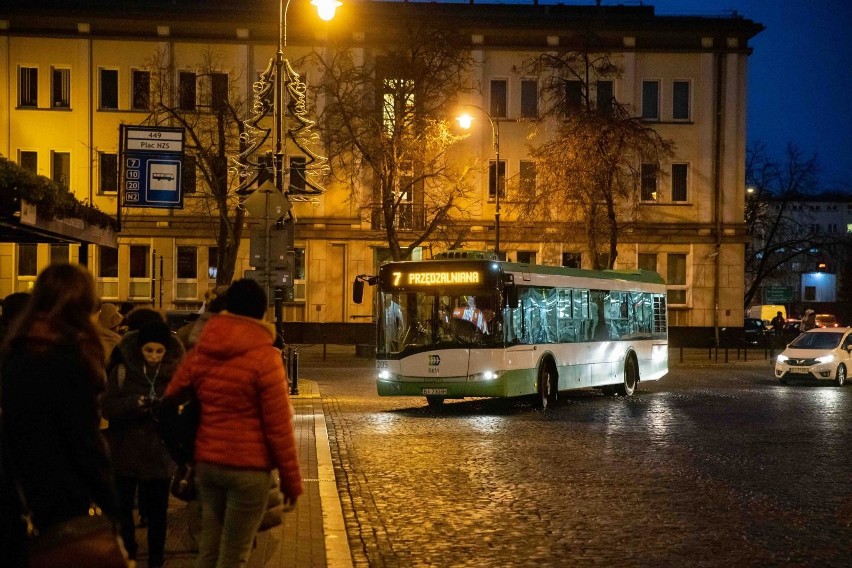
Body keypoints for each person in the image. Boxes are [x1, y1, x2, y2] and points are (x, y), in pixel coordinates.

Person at [165, 278, 302, 568]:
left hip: (208, 466)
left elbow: (169, 399)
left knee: (209, 551)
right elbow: (278, 426)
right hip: (249, 470)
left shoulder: (203, 349)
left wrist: (182, 452)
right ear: (261, 313)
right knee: (234, 555)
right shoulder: (266, 357)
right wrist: (291, 480)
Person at [0, 264, 121, 566]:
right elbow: (84, 444)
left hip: (18, 495)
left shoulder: (15, 353)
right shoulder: (68, 360)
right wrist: (114, 514)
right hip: (64, 500)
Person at [102, 319, 185, 568]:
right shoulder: (122, 371)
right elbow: (107, 407)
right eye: (149, 350)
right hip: (125, 449)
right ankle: (128, 548)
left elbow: (182, 408)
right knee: (124, 508)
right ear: (139, 348)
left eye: (159, 351)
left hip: (158, 452)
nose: (153, 356)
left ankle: (156, 558)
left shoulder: (174, 374)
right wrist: (133, 404)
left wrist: (166, 408)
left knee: (158, 511)